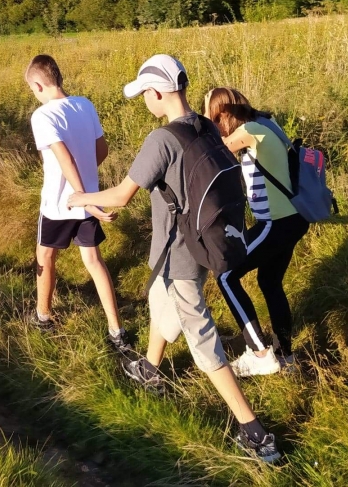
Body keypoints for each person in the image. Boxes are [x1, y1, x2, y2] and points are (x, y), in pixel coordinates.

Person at [68, 55, 281, 463]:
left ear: (157, 92)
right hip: (200, 244)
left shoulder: (162, 140)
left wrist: (81, 198)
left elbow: (121, 196)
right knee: (159, 304)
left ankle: (254, 432)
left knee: (202, 339)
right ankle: (150, 368)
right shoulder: (205, 126)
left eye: (144, 94)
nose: (145, 101)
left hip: (179, 255)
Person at [24, 54, 132, 354]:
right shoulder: (85, 105)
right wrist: (88, 191)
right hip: (89, 201)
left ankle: (43, 318)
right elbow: (102, 150)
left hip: (60, 203)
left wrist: (80, 194)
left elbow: (64, 158)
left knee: (45, 256)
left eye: (32, 89)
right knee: (94, 261)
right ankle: (117, 331)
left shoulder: (42, 116)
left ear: (38, 85)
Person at [206, 87, 310, 377]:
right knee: (270, 281)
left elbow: (214, 152)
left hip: (275, 223)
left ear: (223, 113)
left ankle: (259, 353)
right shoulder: (266, 122)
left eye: (213, 118)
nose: (214, 125)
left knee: (226, 275)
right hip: (292, 220)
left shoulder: (250, 130)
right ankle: (286, 357)